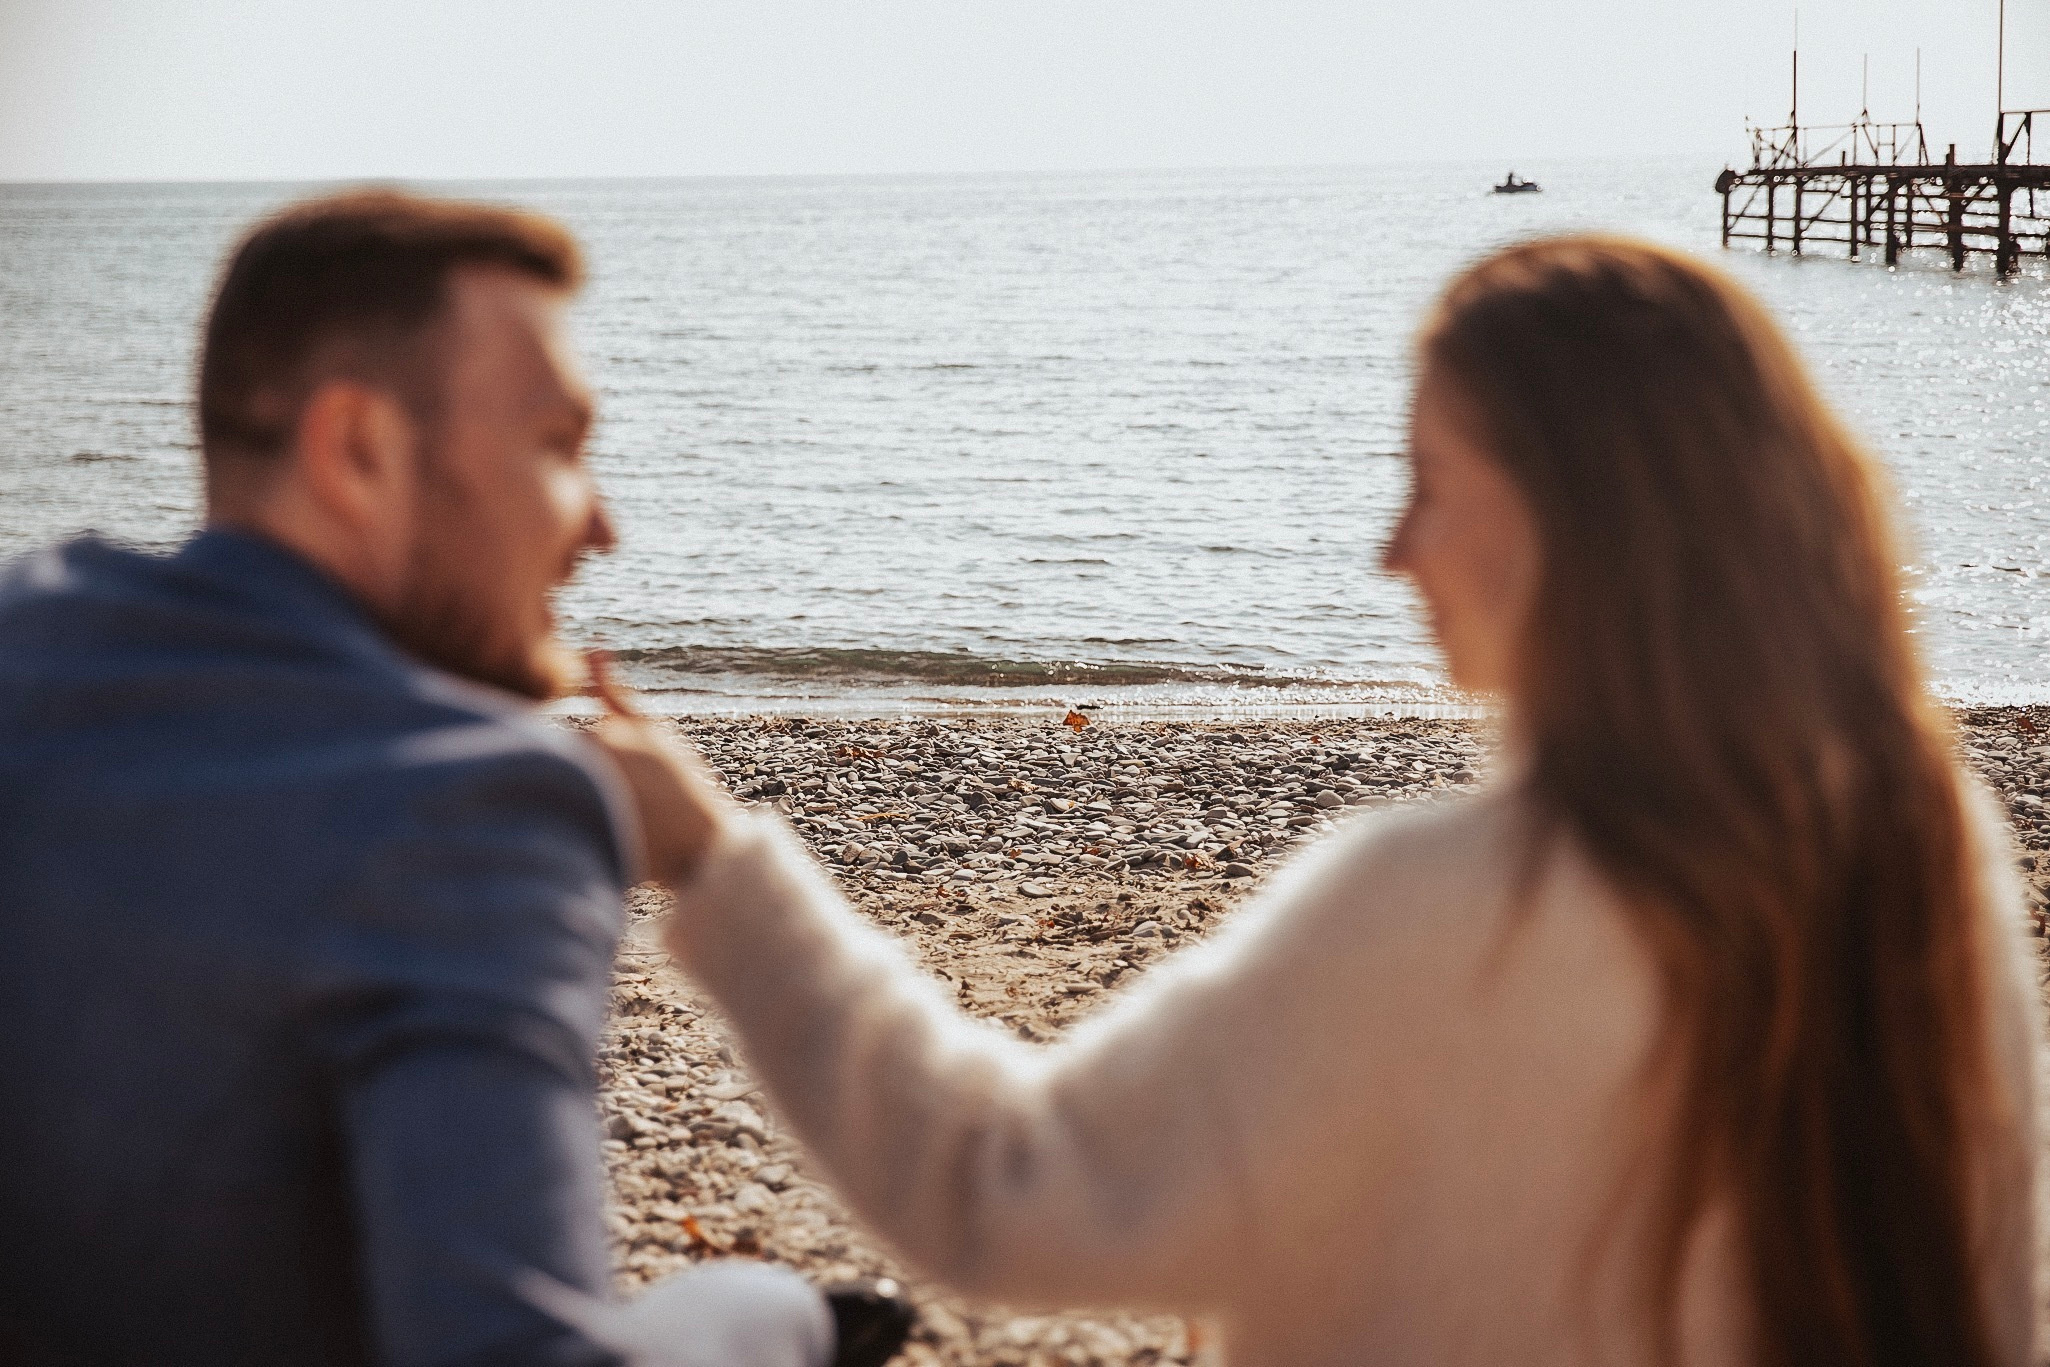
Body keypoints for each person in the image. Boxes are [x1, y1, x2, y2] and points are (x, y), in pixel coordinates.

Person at [590, 236, 2046, 1366]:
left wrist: (715, 858)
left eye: (1425, 481)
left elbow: (1002, 1184)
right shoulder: (1917, 835)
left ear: (1571, 516)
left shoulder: (1456, 905)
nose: (1389, 551)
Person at [0, 191, 869, 1366]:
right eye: (558, 447)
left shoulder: (29, 630)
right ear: (357, 449)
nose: (599, 524)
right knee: (761, 1308)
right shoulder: (476, 807)